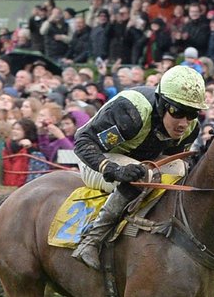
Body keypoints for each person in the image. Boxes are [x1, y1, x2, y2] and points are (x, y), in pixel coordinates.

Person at [70, 64, 203, 269]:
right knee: (145, 177)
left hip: (140, 162)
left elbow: (171, 160)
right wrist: (113, 169)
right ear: (161, 104)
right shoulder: (130, 111)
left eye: (192, 114)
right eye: (178, 112)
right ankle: (91, 240)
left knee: (180, 170)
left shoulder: (191, 128)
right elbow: (82, 141)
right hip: (97, 158)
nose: (184, 123)